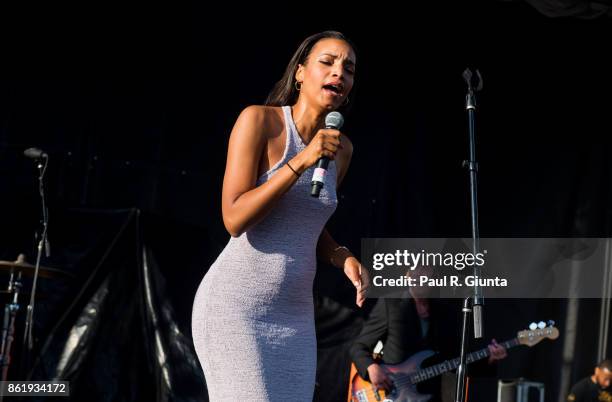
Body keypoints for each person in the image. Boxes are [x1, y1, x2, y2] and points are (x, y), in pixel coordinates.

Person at [191, 31, 369, 401]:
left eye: (348, 68)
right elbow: (234, 218)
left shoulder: (342, 150)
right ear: (301, 73)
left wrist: (342, 256)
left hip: (294, 320)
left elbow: (305, 221)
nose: (340, 72)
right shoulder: (260, 122)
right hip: (236, 309)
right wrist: (301, 159)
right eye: (328, 62)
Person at [349, 270, 507, 402]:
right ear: (408, 275)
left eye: (426, 270)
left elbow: (456, 360)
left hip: (428, 396)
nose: (422, 276)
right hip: (390, 393)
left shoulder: (445, 312)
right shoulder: (391, 303)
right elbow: (358, 347)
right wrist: (371, 368)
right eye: (417, 270)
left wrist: (490, 359)